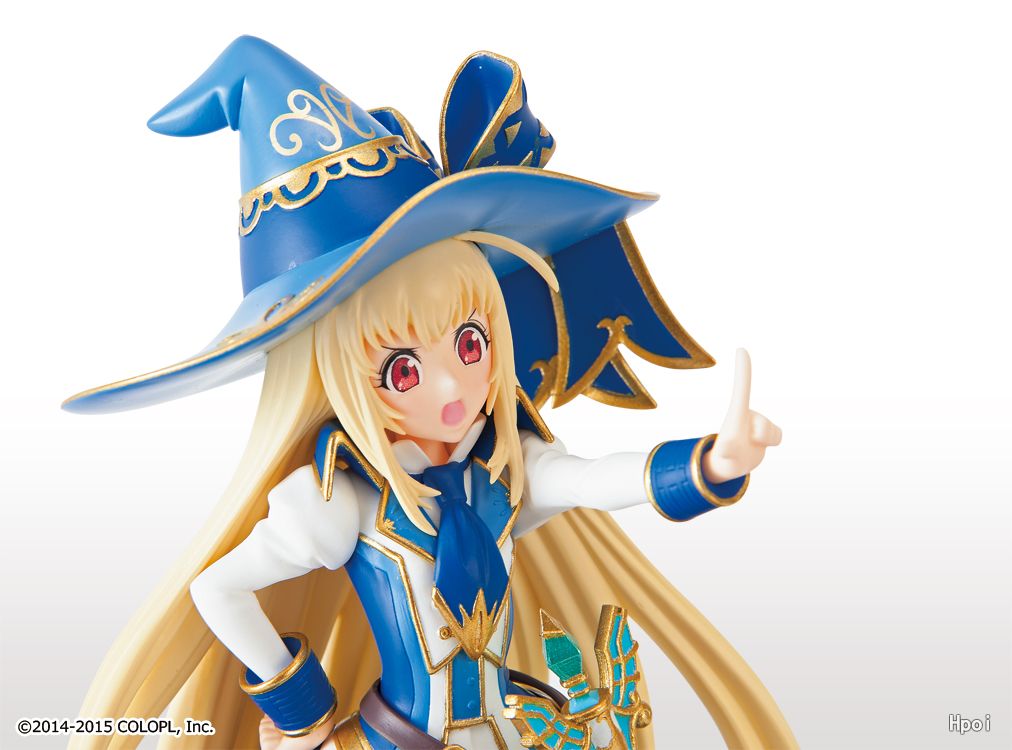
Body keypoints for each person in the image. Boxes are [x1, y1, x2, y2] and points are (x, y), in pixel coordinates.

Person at [63, 37, 795, 750]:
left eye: (471, 345)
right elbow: (217, 590)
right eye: (403, 371)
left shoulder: (505, 478)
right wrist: (303, 711)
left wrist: (709, 464)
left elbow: (596, 481)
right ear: (338, 377)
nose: (452, 385)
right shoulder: (336, 503)